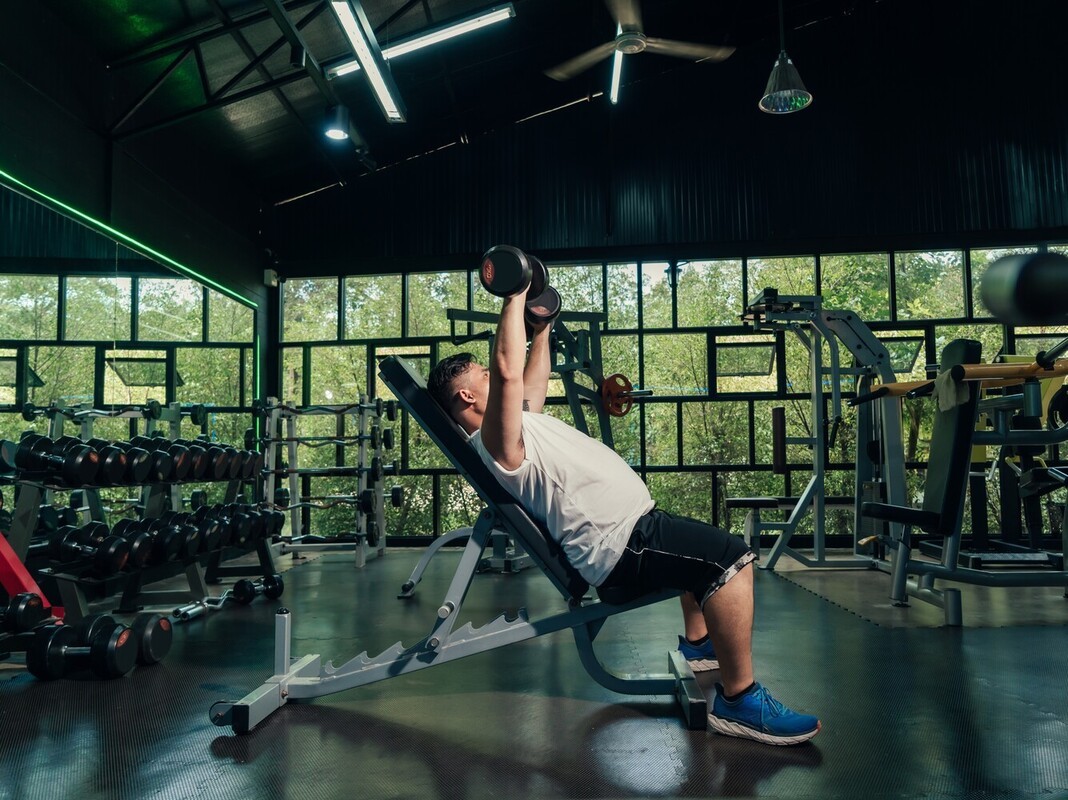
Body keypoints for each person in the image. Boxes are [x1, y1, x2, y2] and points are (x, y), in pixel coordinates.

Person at [427, 281, 820, 746]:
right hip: (619, 545)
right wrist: (513, 295)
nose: (494, 376)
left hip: (632, 530)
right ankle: (740, 702)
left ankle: (700, 647)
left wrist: (543, 329)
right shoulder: (494, 443)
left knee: (701, 545)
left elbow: (531, 380)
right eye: (483, 375)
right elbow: (509, 372)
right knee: (730, 558)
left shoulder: (517, 424)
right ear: (467, 397)